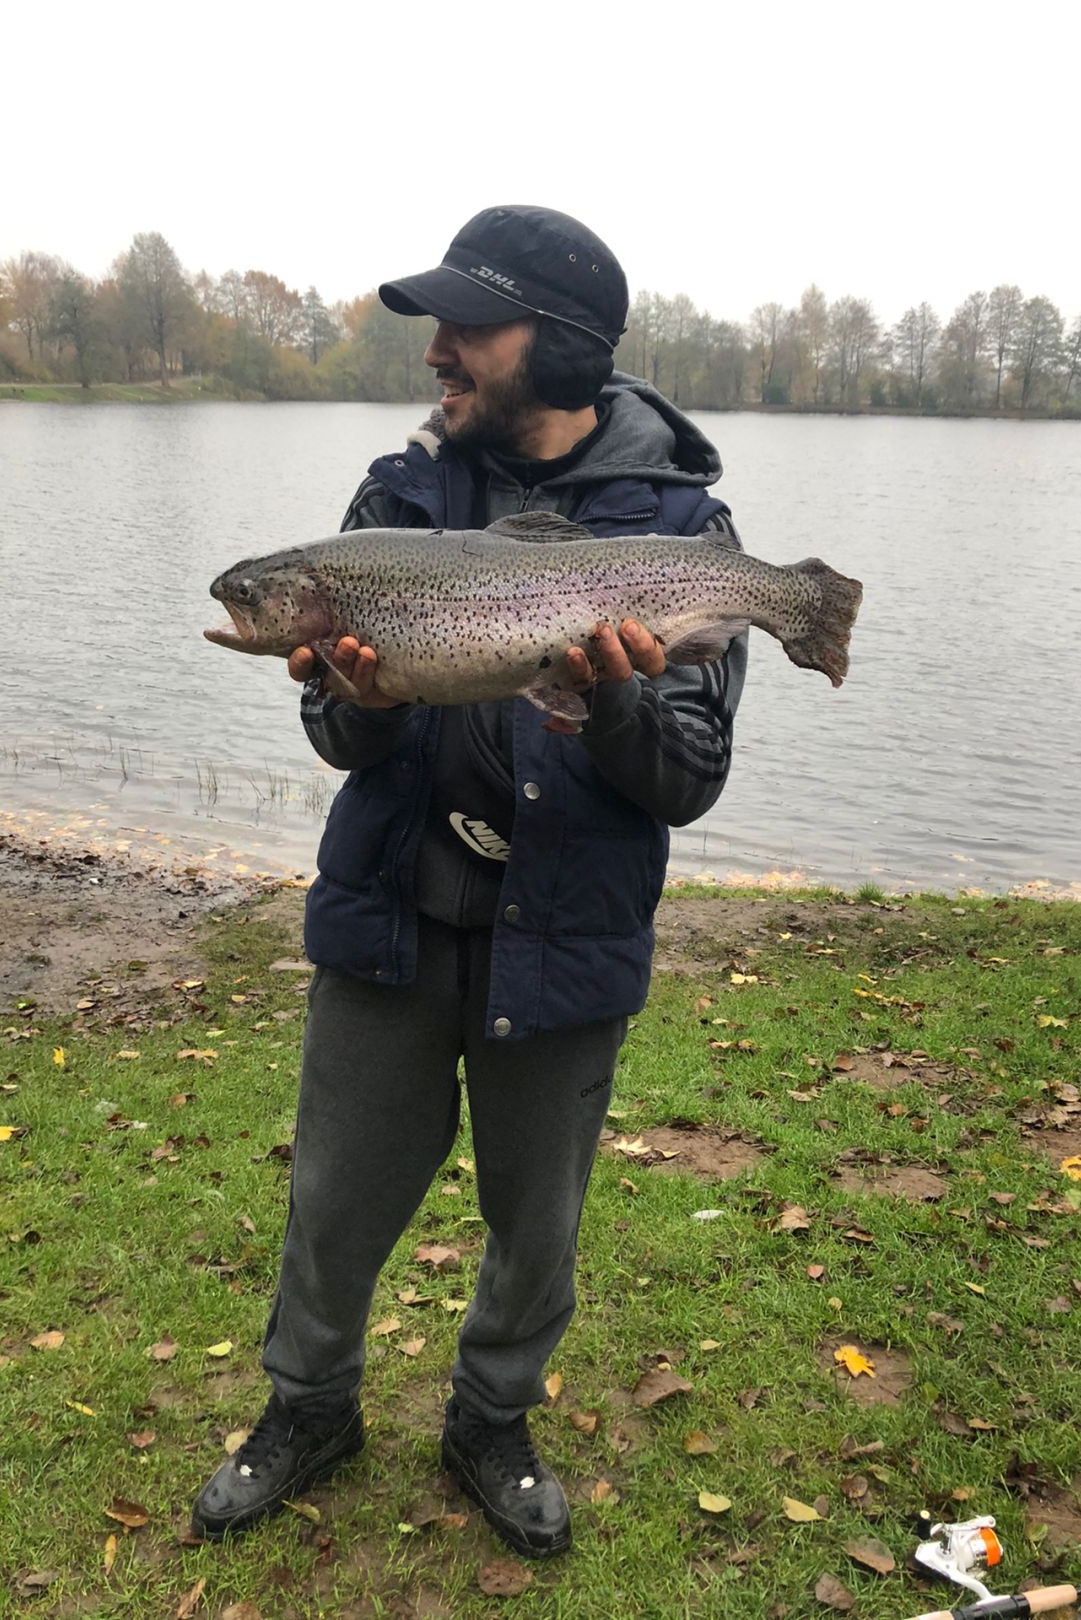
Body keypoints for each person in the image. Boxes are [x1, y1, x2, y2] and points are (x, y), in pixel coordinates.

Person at [191, 205, 748, 1558]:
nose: (436, 351)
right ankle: (309, 1408)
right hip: (393, 913)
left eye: (467, 327)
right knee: (332, 1197)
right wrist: (364, 703)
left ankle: (491, 1421)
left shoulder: (683, 534)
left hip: (567, 935)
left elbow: (688, 776)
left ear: (556, 350)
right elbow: (335, 737)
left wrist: (607, 702)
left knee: (535, 1224)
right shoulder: (392, 506)